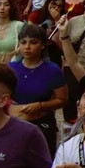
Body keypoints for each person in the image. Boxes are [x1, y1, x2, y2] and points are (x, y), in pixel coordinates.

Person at [9, 24, 67, 156]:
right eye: (23, 42)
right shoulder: (12, 68)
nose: (27, 47)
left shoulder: (52, 70)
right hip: (14, 125)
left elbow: (62, 100)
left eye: (33, 42)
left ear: (42, 45)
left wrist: (40, 106)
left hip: (42, 125)